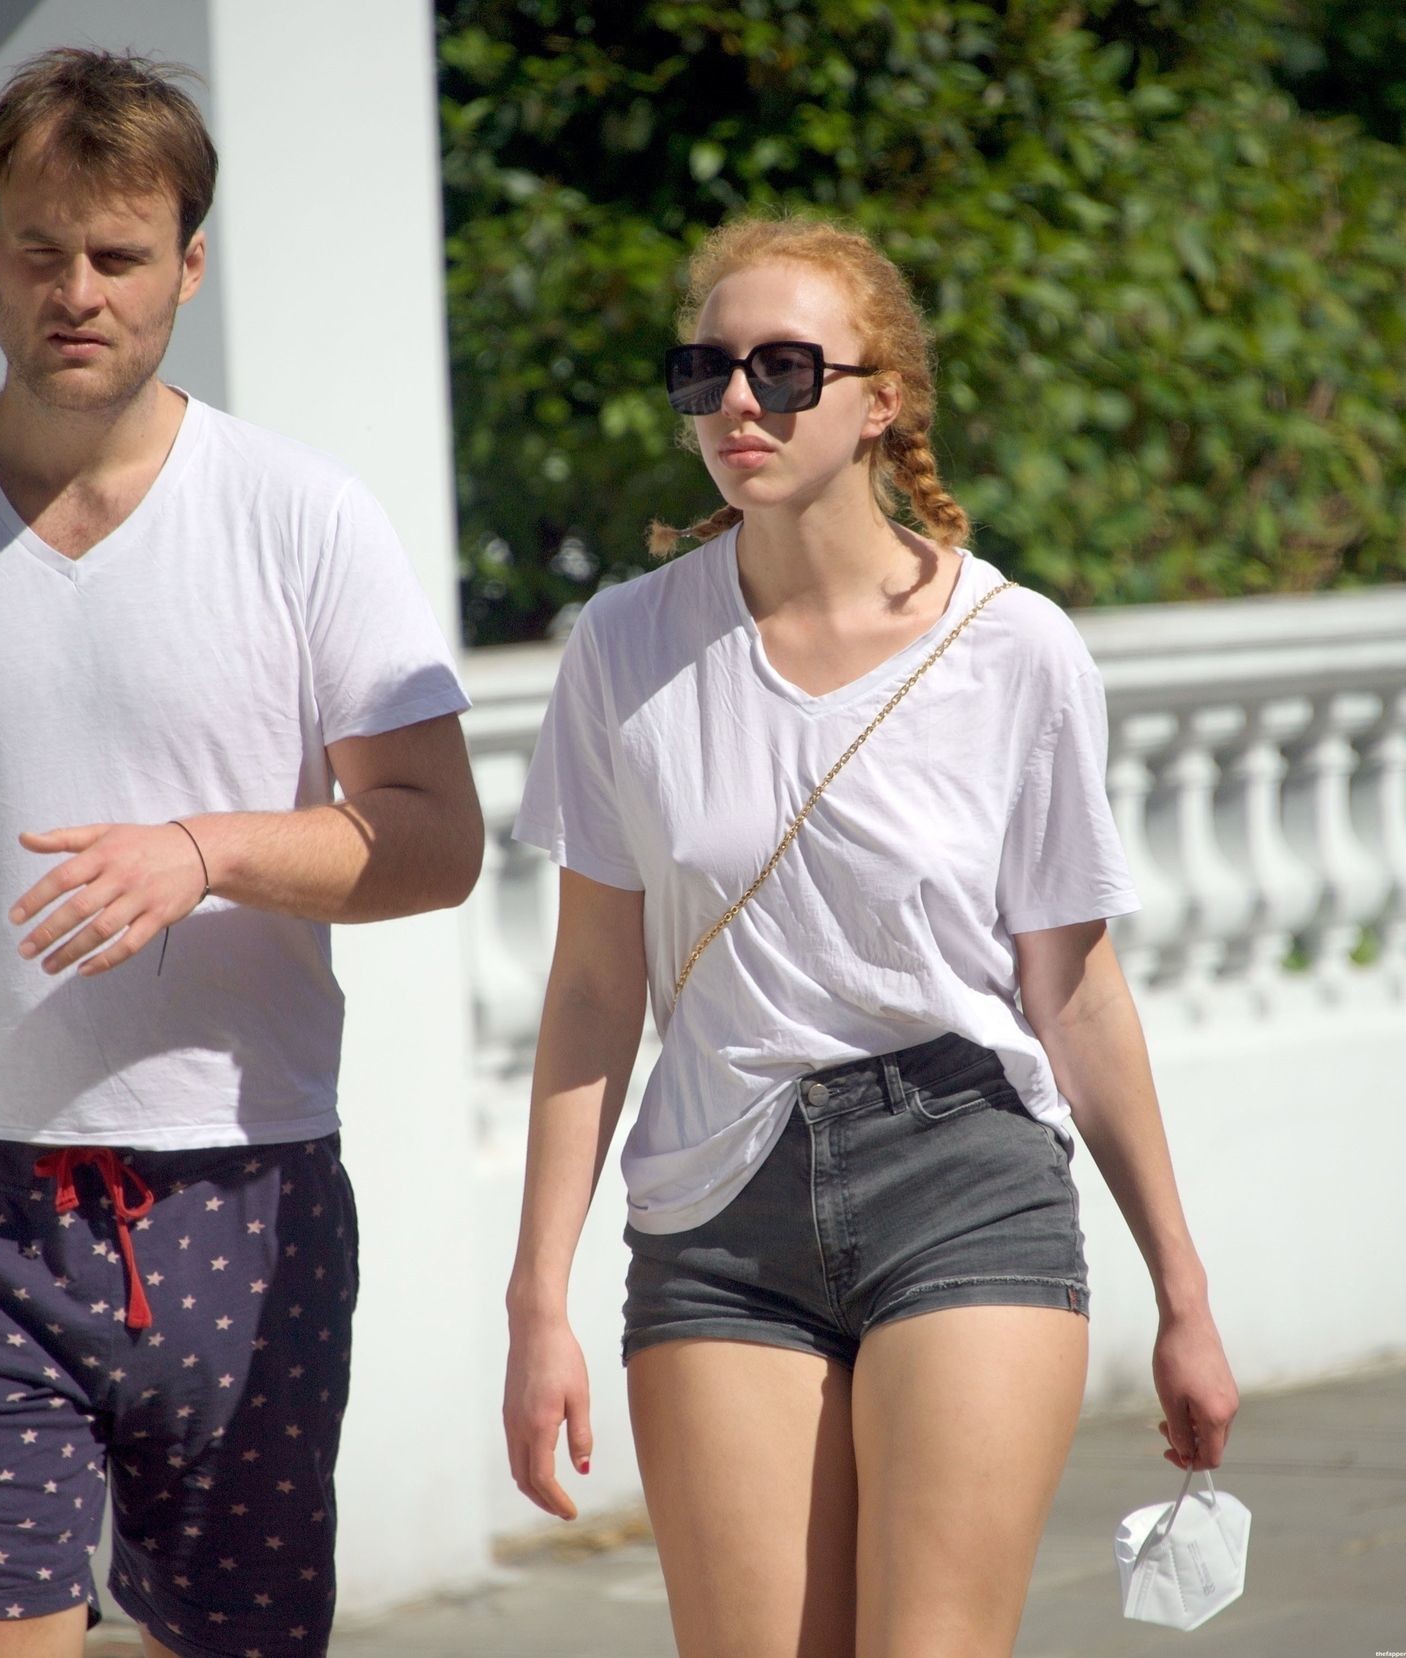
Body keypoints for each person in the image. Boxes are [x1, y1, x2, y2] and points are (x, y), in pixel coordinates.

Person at [0, 47, 481, 1658]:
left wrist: (206, 852)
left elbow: (435, 837)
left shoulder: (301, 517)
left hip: (244, 1186)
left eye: (120, 255)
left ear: (189, 267)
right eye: (41, 248)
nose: (76, 291)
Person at [502, 215, 1239, 1657]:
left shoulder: (1015, 649)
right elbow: (591, 989)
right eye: (706, 370)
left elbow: (1076, 993)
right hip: (715, 1212)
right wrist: (538, 1302)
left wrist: (1184, 1295)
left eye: (784, 369)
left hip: (963, 1171)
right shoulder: (624, 648)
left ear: (881, 398)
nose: (736, 401)